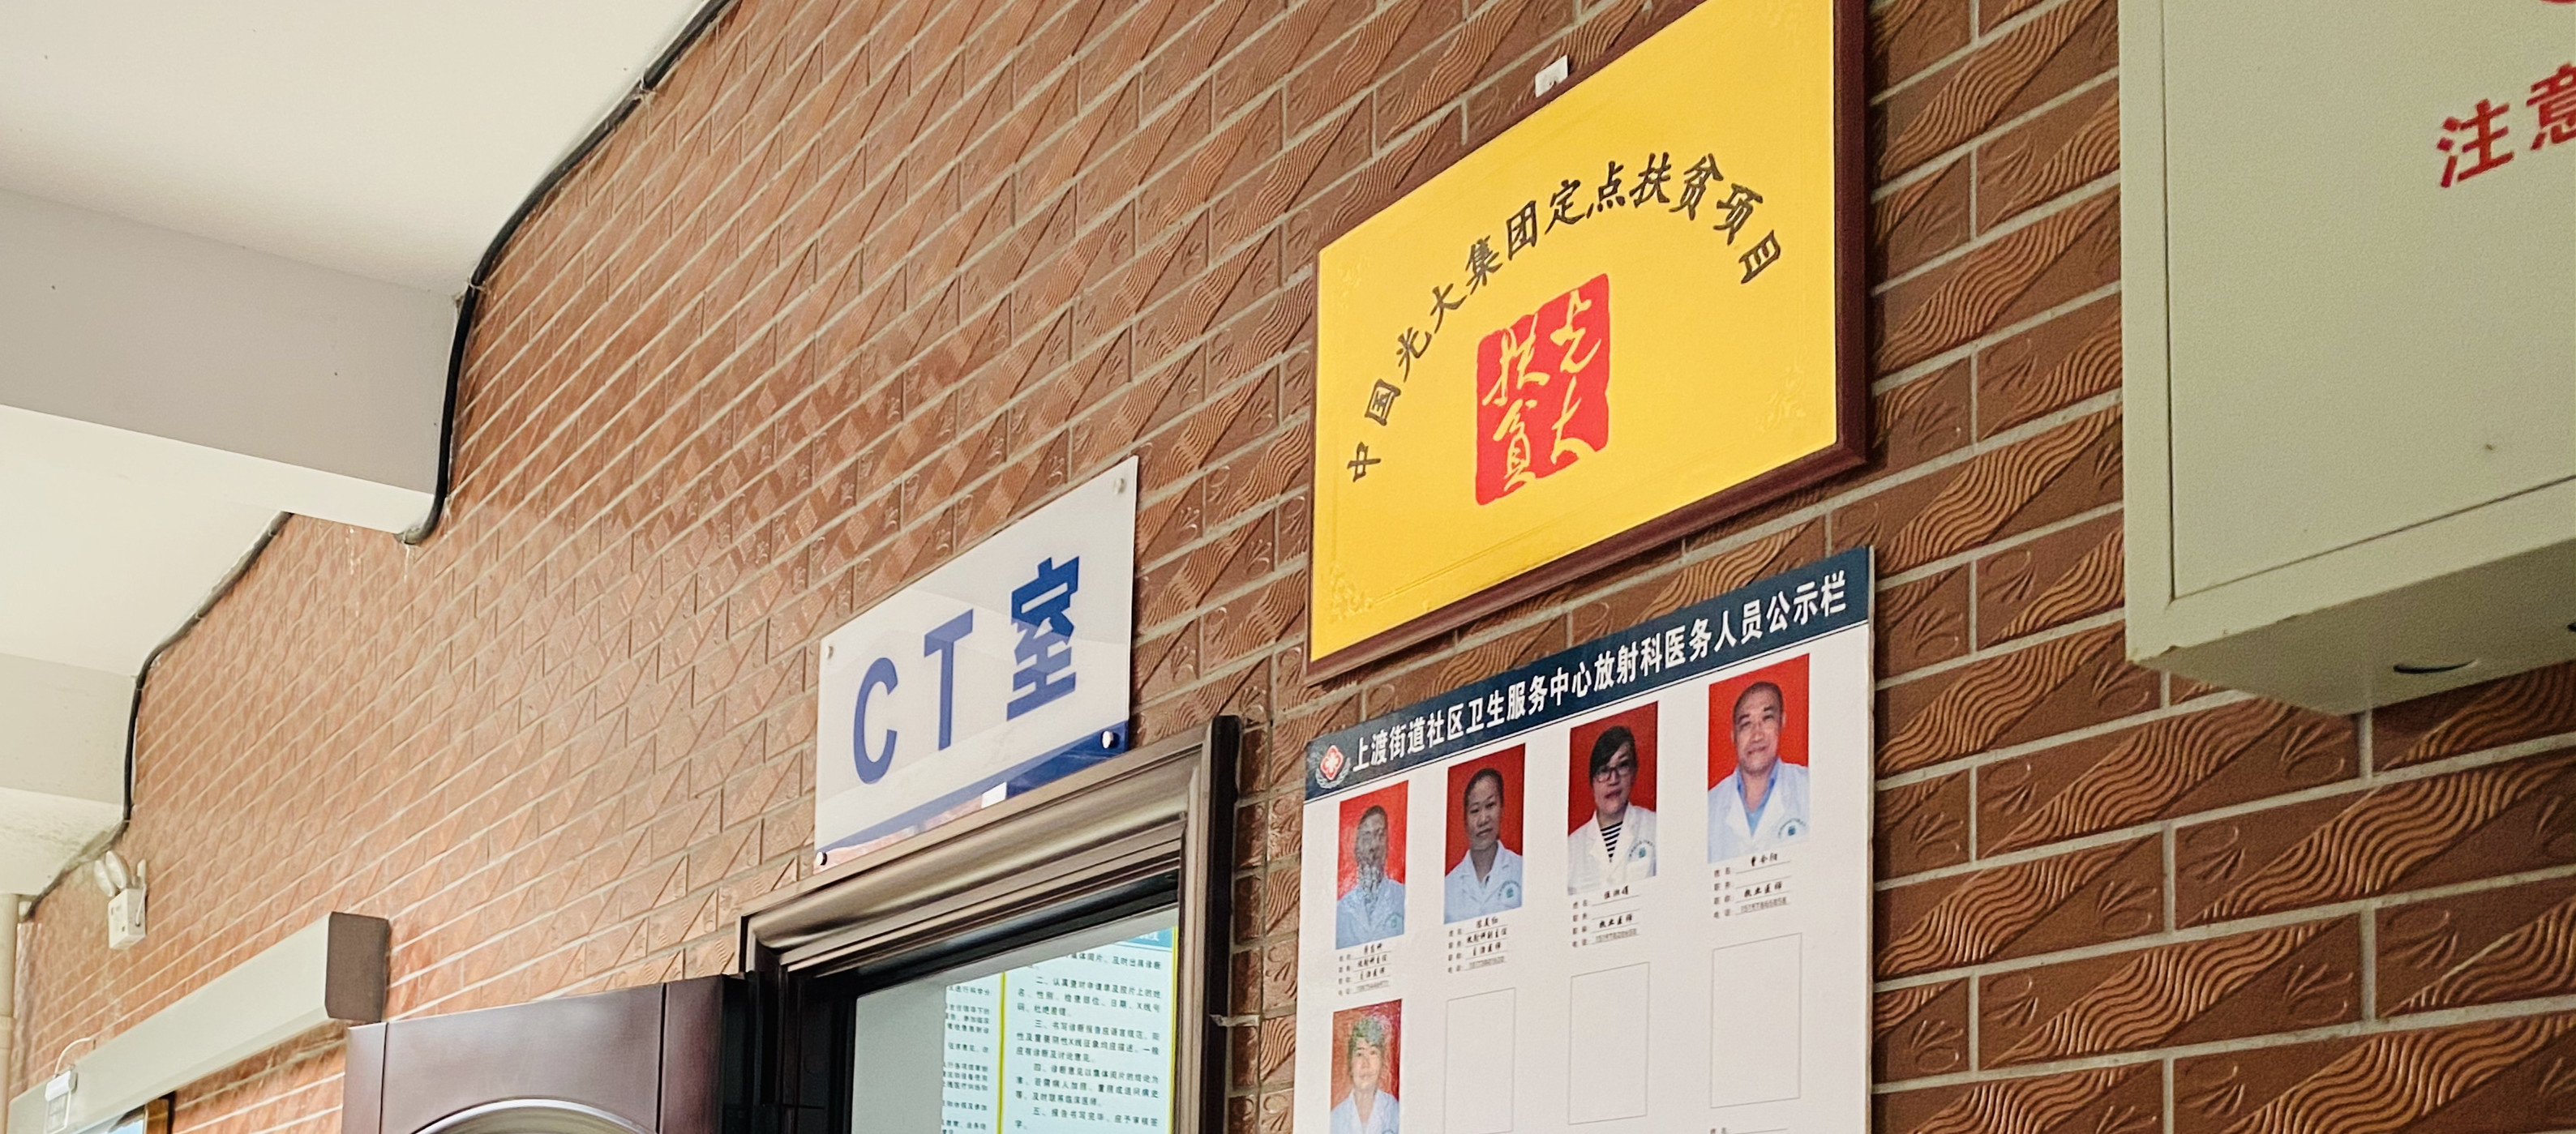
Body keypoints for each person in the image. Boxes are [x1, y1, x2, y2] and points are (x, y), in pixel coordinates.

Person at [1707, 681, 1811, 861]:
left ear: (1782, 722)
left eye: (1767, 719)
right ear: (1733, 736)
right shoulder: (1708, 807)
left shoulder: (1811, 787)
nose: (1757, 736)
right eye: (1746, 724)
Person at [1567, 725, 1657, 892]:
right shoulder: (1570, 848)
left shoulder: (1656, 826)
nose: (1613, 779)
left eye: (1622, 766)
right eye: (1603, 770)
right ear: (1592, 781)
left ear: (1634, 771)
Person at [1443, 768, 1523, 921]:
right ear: (1465, 820)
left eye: (1490, 805)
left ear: (1502, 808)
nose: (1483, 819)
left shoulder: (1522, 869)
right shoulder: (1447, 887)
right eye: (1475, 810)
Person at [1335, 805, 1406, 947]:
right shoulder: (1341, 910)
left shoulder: (1403, 896)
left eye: (1380, 835)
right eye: (1367, 836)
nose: (1374, 846)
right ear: (1356, 847)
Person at [1330, 1015, 1401, 1134]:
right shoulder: (1335, 1118)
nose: (1366, 1064)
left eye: (1373, 1053)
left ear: (1382, 1061)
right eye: (1359, 1054)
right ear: (1350, 1063)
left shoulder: (1396, 1111)